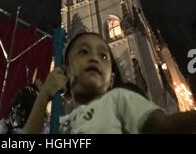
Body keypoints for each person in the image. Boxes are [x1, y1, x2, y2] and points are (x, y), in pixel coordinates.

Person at [23, 32, 196, 134]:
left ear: (111, 78)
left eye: (103, 56)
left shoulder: (120, 98)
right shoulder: (64, 122)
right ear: (66, 73)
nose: (94, 58)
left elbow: (162, 126)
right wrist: (44, 95)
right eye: (83, 52)